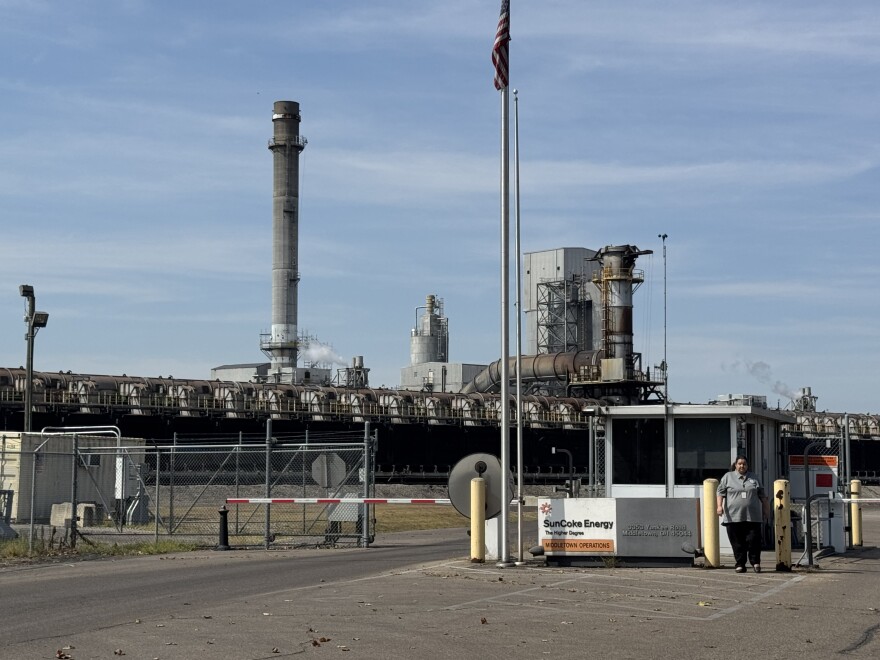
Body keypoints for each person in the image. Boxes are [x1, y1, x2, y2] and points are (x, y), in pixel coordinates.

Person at [716, 456, 770, 573]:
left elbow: (762, 495)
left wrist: (766, 510)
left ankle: (755, 563)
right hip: (734, 516)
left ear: (747, 465)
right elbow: (720, 492)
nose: (742, 466)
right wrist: (719, 506)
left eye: (744, 464)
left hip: (753, 516)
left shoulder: (754, 477)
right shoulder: (728, 477)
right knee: (737, 542)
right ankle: (740, 564)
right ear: (735, 465)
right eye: (739, 464)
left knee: (753, 541)